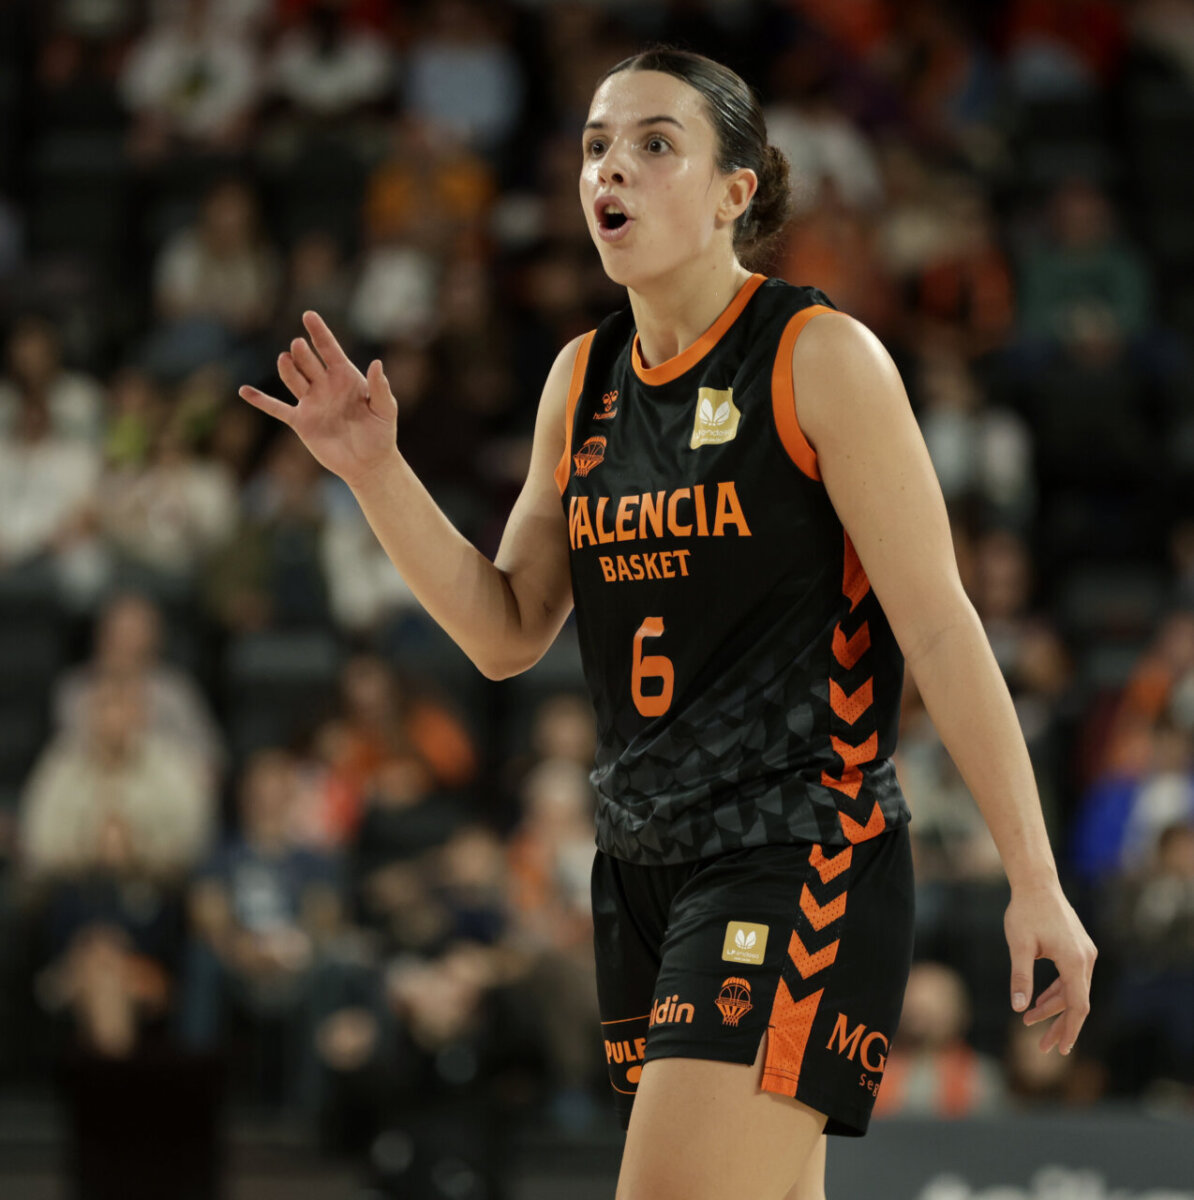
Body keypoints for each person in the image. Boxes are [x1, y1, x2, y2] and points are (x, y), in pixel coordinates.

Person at [241, 47, 1096, 1200]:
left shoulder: (818, 356)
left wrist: (1033, 877)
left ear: (736, 191)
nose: (614, 168)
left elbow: (941, 629)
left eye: (655, 144)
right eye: (597, 144)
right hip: (642, 865)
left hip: (798, 848)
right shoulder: (580, 379)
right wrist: (374, 473)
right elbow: (506, 631)